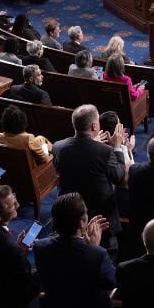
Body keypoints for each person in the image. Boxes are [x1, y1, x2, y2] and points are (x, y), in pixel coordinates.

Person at [31, 193, 120, 308]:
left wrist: (87, 247)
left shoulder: (41, 248)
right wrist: (93, 247)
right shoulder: (97, 254)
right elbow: (111, 282)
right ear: (82, 222)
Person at [53, 105, 126, 254]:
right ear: (94, 126)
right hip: (100, 218)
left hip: (70, 212)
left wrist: (94, 144)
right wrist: (117, 148)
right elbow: (118, 177)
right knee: (105, 256)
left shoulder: (58, 147)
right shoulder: (105, 151)